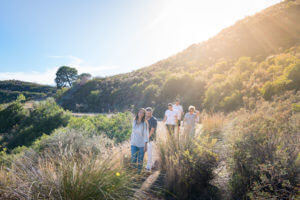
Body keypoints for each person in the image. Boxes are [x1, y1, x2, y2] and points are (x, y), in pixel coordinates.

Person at [130, 108, 149, 173]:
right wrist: (131, 140)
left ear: (144, 115)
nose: (140, 113)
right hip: (133, 143)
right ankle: (132, 174)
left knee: (140, 160)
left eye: (142, 113)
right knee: (133, 160)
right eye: (139, 112)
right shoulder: (134, 121)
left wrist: (146, 145)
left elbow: (146, 134)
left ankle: (138, 174)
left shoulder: (144, 123)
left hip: (141, 144)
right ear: (138, 113)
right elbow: (132, 132)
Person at [145, 107, 158, 171]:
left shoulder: (153, 119)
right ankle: (152, 164)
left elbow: (152, 130)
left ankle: (148, 167)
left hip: (151, 139)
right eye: (147, 113)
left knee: (150, 153)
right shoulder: (145, 119)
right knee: (149, 153)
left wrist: (147, 138)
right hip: (145, 139)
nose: (148, 114)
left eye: (149, 113)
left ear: (151, 113)